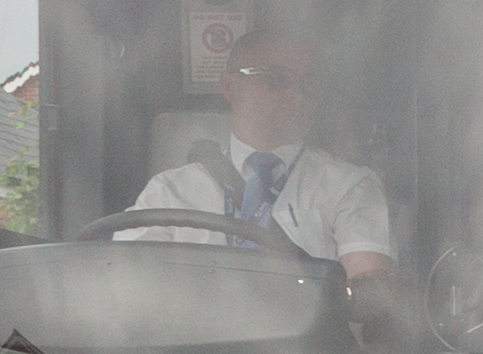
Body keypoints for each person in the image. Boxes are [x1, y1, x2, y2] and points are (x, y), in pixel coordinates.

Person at [133, 26, 399, 300]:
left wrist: (369, 292)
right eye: (275, 79)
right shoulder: (167, 193)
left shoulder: (349, 186)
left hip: (311, 342)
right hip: (194, 340)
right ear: (229, 86)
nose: (297, 94)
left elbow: (368, 281)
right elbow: (128, 287)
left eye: (307, 83)